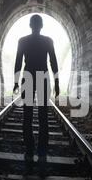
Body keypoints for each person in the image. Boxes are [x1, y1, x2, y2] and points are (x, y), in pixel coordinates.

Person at [13, 14, 59, 167]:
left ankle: (29, 150)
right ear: (42, 26)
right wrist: (57, 82)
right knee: (43, 116)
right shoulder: (48, 41)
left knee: (27, 115)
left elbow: (18, 62)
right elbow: (53, 62)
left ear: (30, 25)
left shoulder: (22, 41)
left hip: (27, 77)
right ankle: (42, 152)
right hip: (43, 78)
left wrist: (15, 82)